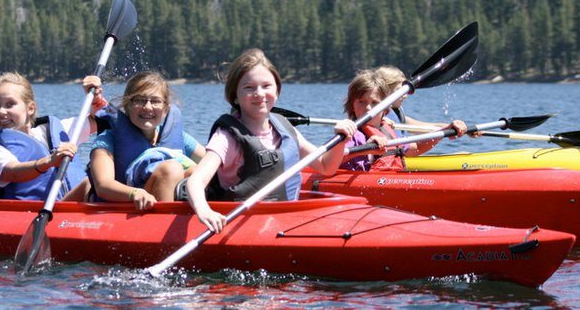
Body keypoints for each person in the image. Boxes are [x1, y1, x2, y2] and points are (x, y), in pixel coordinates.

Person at [185, 48, 357, 234]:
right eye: (249, 88)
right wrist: (204, 211)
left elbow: (326, 166)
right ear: (235, 95)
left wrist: (340, 140)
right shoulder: (227, 136)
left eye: (266, 86)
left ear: (277, 91)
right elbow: (195, 181)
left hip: (286, 219)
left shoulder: (284, 127)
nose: (259, 93)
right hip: (243, 224)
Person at [87, 70, 205, 210]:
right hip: (124, 210)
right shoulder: (107, 139)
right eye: (139, 100)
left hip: (165, 208)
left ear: (166, 108)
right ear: (127, 105)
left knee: (195, 171)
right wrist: (135, 193)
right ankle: (162, 224)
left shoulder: (180, 137)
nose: (147, 107)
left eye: (155, 101)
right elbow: (103, 185)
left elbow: (212, 164)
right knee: (170, 169)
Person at [0, 71, 105, 201]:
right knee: (91, 182)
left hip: (70, 207)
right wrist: (48, 162)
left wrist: (95, 99)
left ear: (30, 108)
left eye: (10, 104)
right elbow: (12, 172)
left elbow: (99, 120)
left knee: (102, 174)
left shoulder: (59, 129)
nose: (1, 111)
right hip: (41, 212)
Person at [340, 69, 467, 172]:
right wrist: (366, 148)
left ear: (385, 107)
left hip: (391, 181)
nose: (368, 108)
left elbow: (417, 148)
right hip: (360, 186)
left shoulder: (387, 131)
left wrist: (444, 132)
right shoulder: (350, 135)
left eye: (374, 103)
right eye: (361, 102)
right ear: (352, 105)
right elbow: (331, 159)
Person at [374, 65, 471, 150]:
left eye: (405, 91)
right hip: (391, 162)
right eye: (400, 91)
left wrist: (460, 129)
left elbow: (427, 127)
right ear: (385, 92)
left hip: (402, 155)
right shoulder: (377, 118)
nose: (405, 95)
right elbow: (414, 148)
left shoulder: (397, 114)